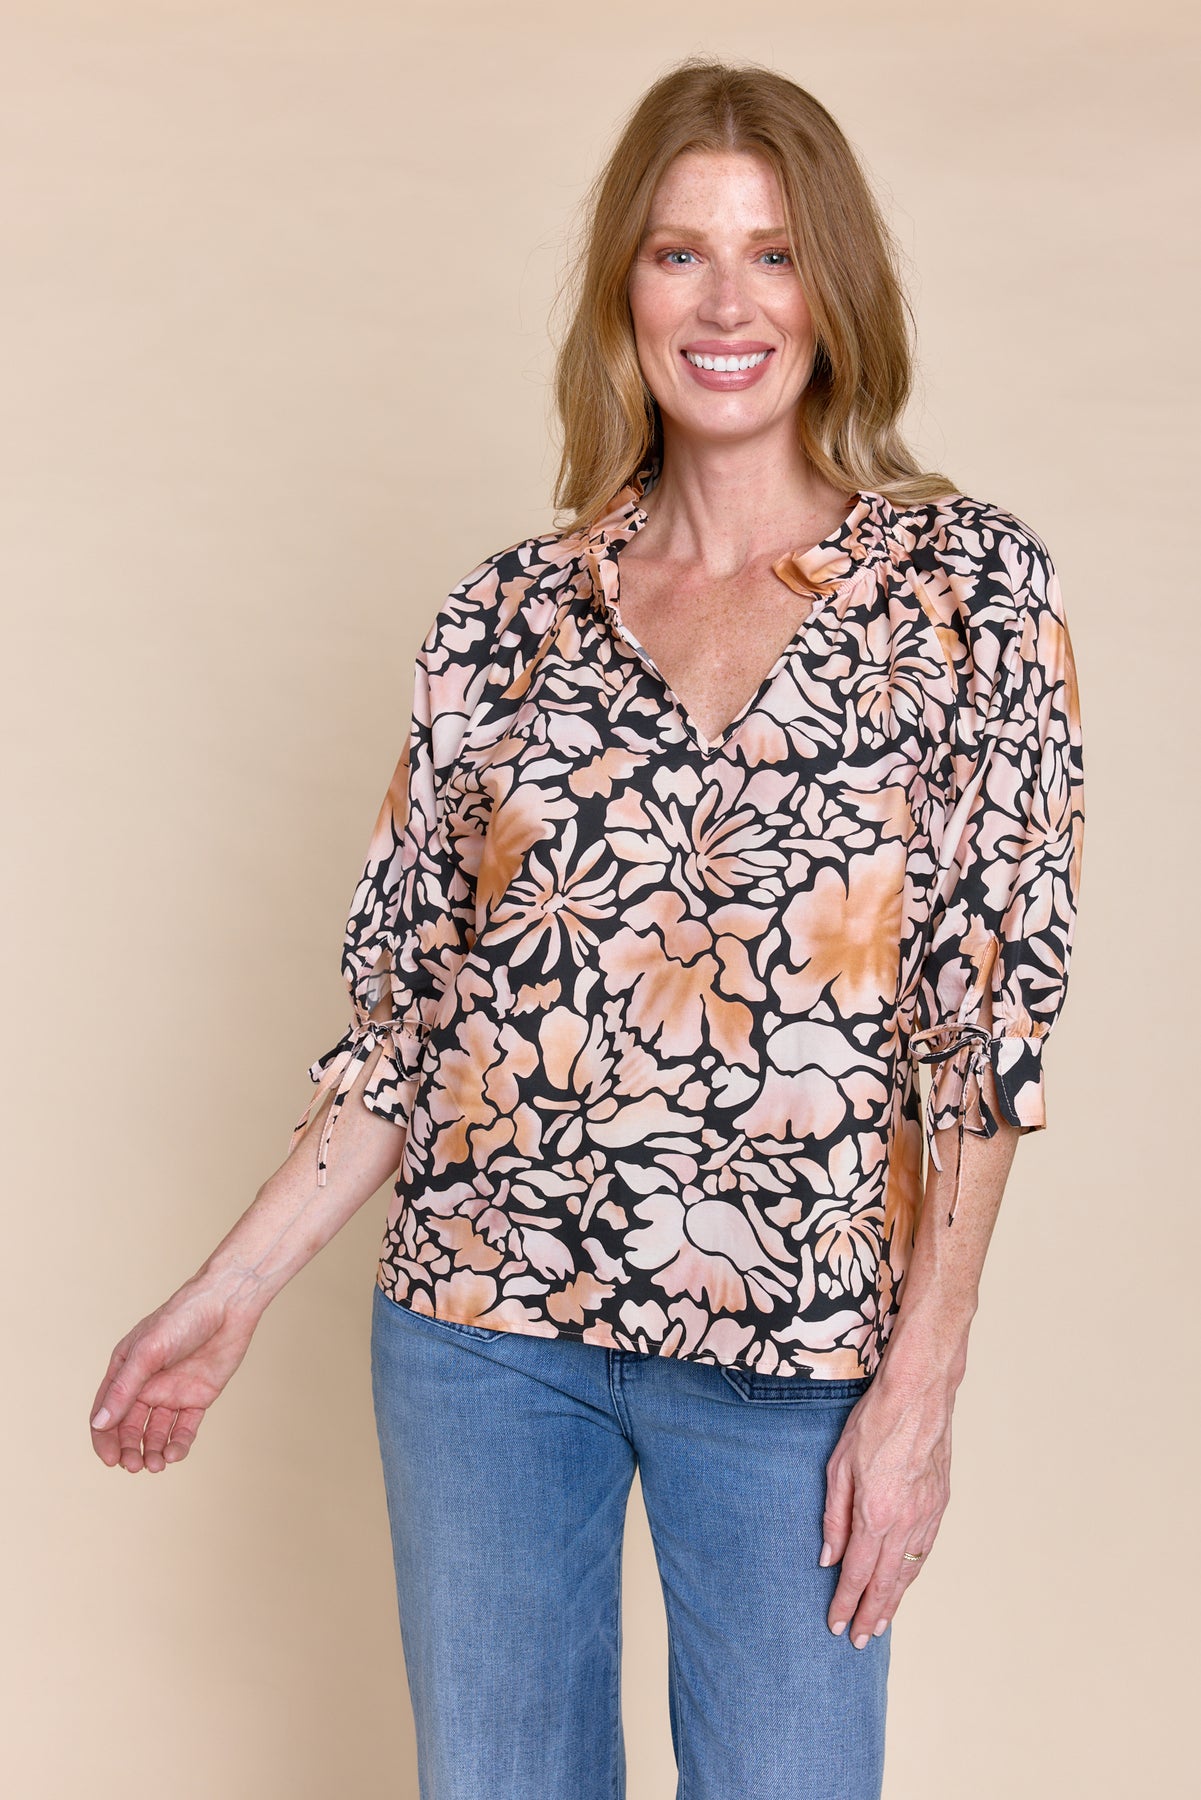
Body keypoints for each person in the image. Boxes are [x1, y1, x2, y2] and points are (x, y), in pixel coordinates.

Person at [89, 57, 1086, 1800]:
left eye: (773, 255)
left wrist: (921, 1386)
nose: (725, 304)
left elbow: (982, 1032)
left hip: (792, 1352)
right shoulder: (503, 620)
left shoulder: (966, 594)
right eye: (678, 253)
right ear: (623, 290)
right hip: (482, 1334)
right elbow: (410, 1023)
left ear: (834, 291)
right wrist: (227, 1292)